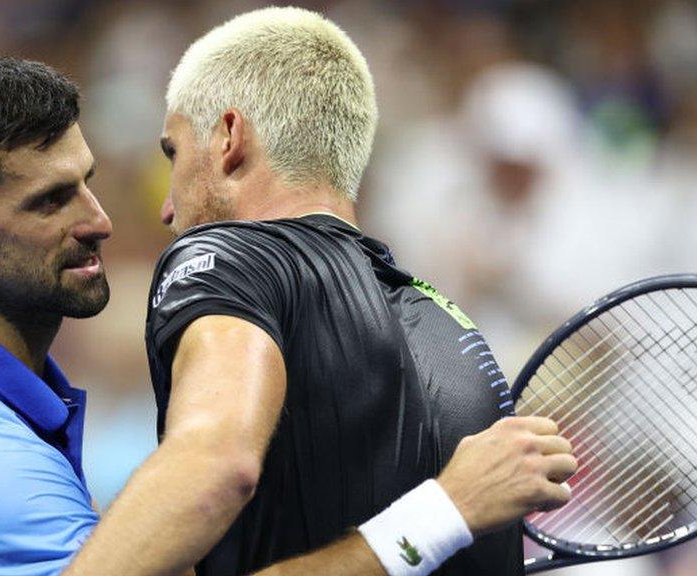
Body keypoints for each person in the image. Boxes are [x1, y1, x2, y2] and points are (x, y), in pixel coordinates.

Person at [0, 51, 574, 575]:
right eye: (50, 201)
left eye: (85, 182)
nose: (101, 220)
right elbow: (220, 470)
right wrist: (443, 513)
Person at [80, 7, 567, 576]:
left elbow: (217, 464)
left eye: (174, 155)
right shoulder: (446, 319)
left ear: (229, 138)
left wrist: (441, 513)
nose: (167, 209)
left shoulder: (228, 257)